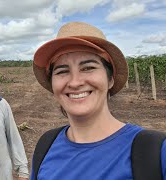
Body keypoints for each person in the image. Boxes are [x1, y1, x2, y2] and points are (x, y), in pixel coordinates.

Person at [30, 22, 166, 179]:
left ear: (110, 79)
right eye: (62, 71)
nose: (75, 82)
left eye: (88, 68)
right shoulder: (45, 146)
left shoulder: (155, 152)